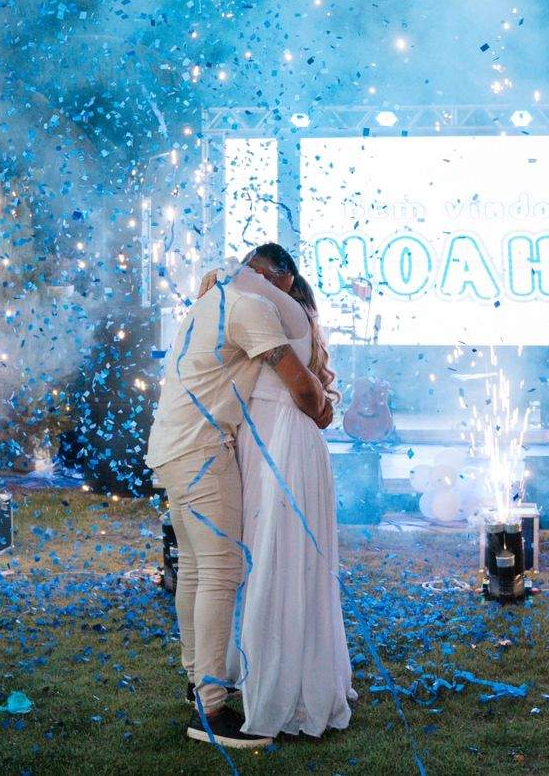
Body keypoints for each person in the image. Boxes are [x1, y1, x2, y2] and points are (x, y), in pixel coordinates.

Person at [145, 245, 331, 751]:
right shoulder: (251, 308)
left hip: (173, 445)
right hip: (203, 450)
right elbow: (301, 385)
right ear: (279, 279)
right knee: (222, 571)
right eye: (285, 289)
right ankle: (210, 708)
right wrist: (322, 410)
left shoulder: (216, 299)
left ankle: (196, 681)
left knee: (199, 570)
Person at [224, 243, 356, 739]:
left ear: (282, 278)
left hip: (283, 442)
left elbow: (233, 278)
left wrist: (236, 271)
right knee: (267, 555)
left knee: (283, 558)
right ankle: (272, 672)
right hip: (265, 440)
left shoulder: (281, 311)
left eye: (260, 271)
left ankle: (289, 689)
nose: (249, 277)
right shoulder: (268, 311)